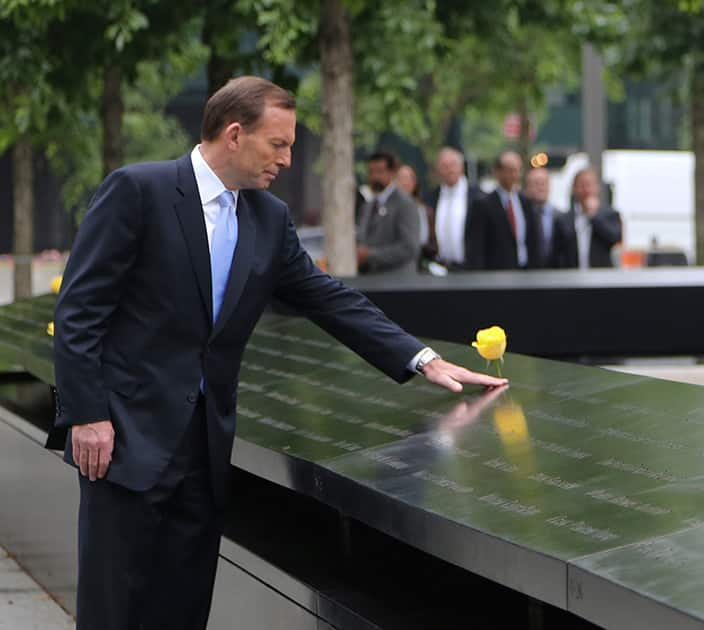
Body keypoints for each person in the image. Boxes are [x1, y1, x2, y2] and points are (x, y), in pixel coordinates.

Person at [49, 76, 506, 630]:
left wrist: (422, 358)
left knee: (184, 609)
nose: (288, 160)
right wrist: (88, 414)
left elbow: (327, 298)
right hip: (121, 442)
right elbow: (79, 310)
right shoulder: (137, 191)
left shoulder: (268, 219)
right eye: (279, 144)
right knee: (113, 613)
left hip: (204, 451)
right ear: (235, 134)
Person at [464, 151, 544, 270]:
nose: (514, 175)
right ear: (498, 172)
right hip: (496, 274)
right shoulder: (483, 205)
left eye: (517, 170)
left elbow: (532, 240)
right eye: (510, 170)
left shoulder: (525, 202)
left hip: (525, 270)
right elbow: (476, 246)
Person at [356, 152, 421, 274]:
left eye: (380, 171)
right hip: (371, 280)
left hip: (397, 282)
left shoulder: (405, 204)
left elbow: (410, 247)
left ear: (392, 173)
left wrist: (370, 255)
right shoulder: (368, 206)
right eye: (371, 172)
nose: (375, 177)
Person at [551, 167, 622, 269]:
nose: (586, 189)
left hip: (600, 277)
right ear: (574, 188)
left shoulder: (610, 215)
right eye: (581, 185)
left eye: (589, 185)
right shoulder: (563, 220)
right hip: (571, 277)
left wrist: (594, 216)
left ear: (597, 187)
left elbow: (614, 238)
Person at [422, 147, 482, 269]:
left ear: (461, 167)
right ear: (438, 170)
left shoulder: (479, 198)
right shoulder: (429, 199)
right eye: (444, 166)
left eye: (453, 165)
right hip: (438, 268)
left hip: (471, 268)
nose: (449, 170)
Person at [523, 167, 559, 267]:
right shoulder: (521, 215)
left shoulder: (560, 216)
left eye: (544, 183)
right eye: (536, 183)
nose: (540, 187)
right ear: (526, 188)